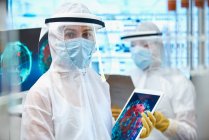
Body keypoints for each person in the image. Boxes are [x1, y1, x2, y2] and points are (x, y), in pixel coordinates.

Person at [21, 3, 154, 140]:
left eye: (86, 34)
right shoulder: (41, 93)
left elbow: (103, 131)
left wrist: (130, 133)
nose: (80, 41)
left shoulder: (98, 83)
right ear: (55, 38)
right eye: (71, 34)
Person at [121, 22, 197, 140]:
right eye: (133, 45)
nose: (137, 50)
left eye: (145, 45)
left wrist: (165, 124)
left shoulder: (177, 81)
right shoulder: (128, 77)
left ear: (158, 46)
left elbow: (191, 135)